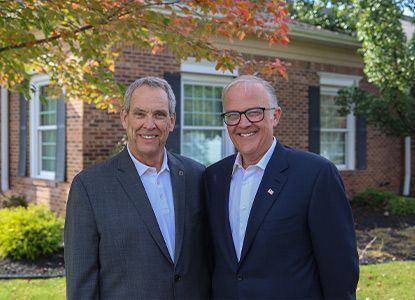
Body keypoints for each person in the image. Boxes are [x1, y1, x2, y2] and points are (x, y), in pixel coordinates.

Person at [205, 75, 359, 299]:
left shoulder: (315, 174)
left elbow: (340, 268)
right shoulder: (214, 177)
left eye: (254, 112)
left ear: (275, 116)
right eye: (233, 115)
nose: (243, 123)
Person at [64, 76, 210, 299]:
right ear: (125, 118)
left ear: (171, 121)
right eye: (140, 114)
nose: (149, 124)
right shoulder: (90, 187)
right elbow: (82, 284)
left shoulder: (196, 175)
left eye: (159, 114)